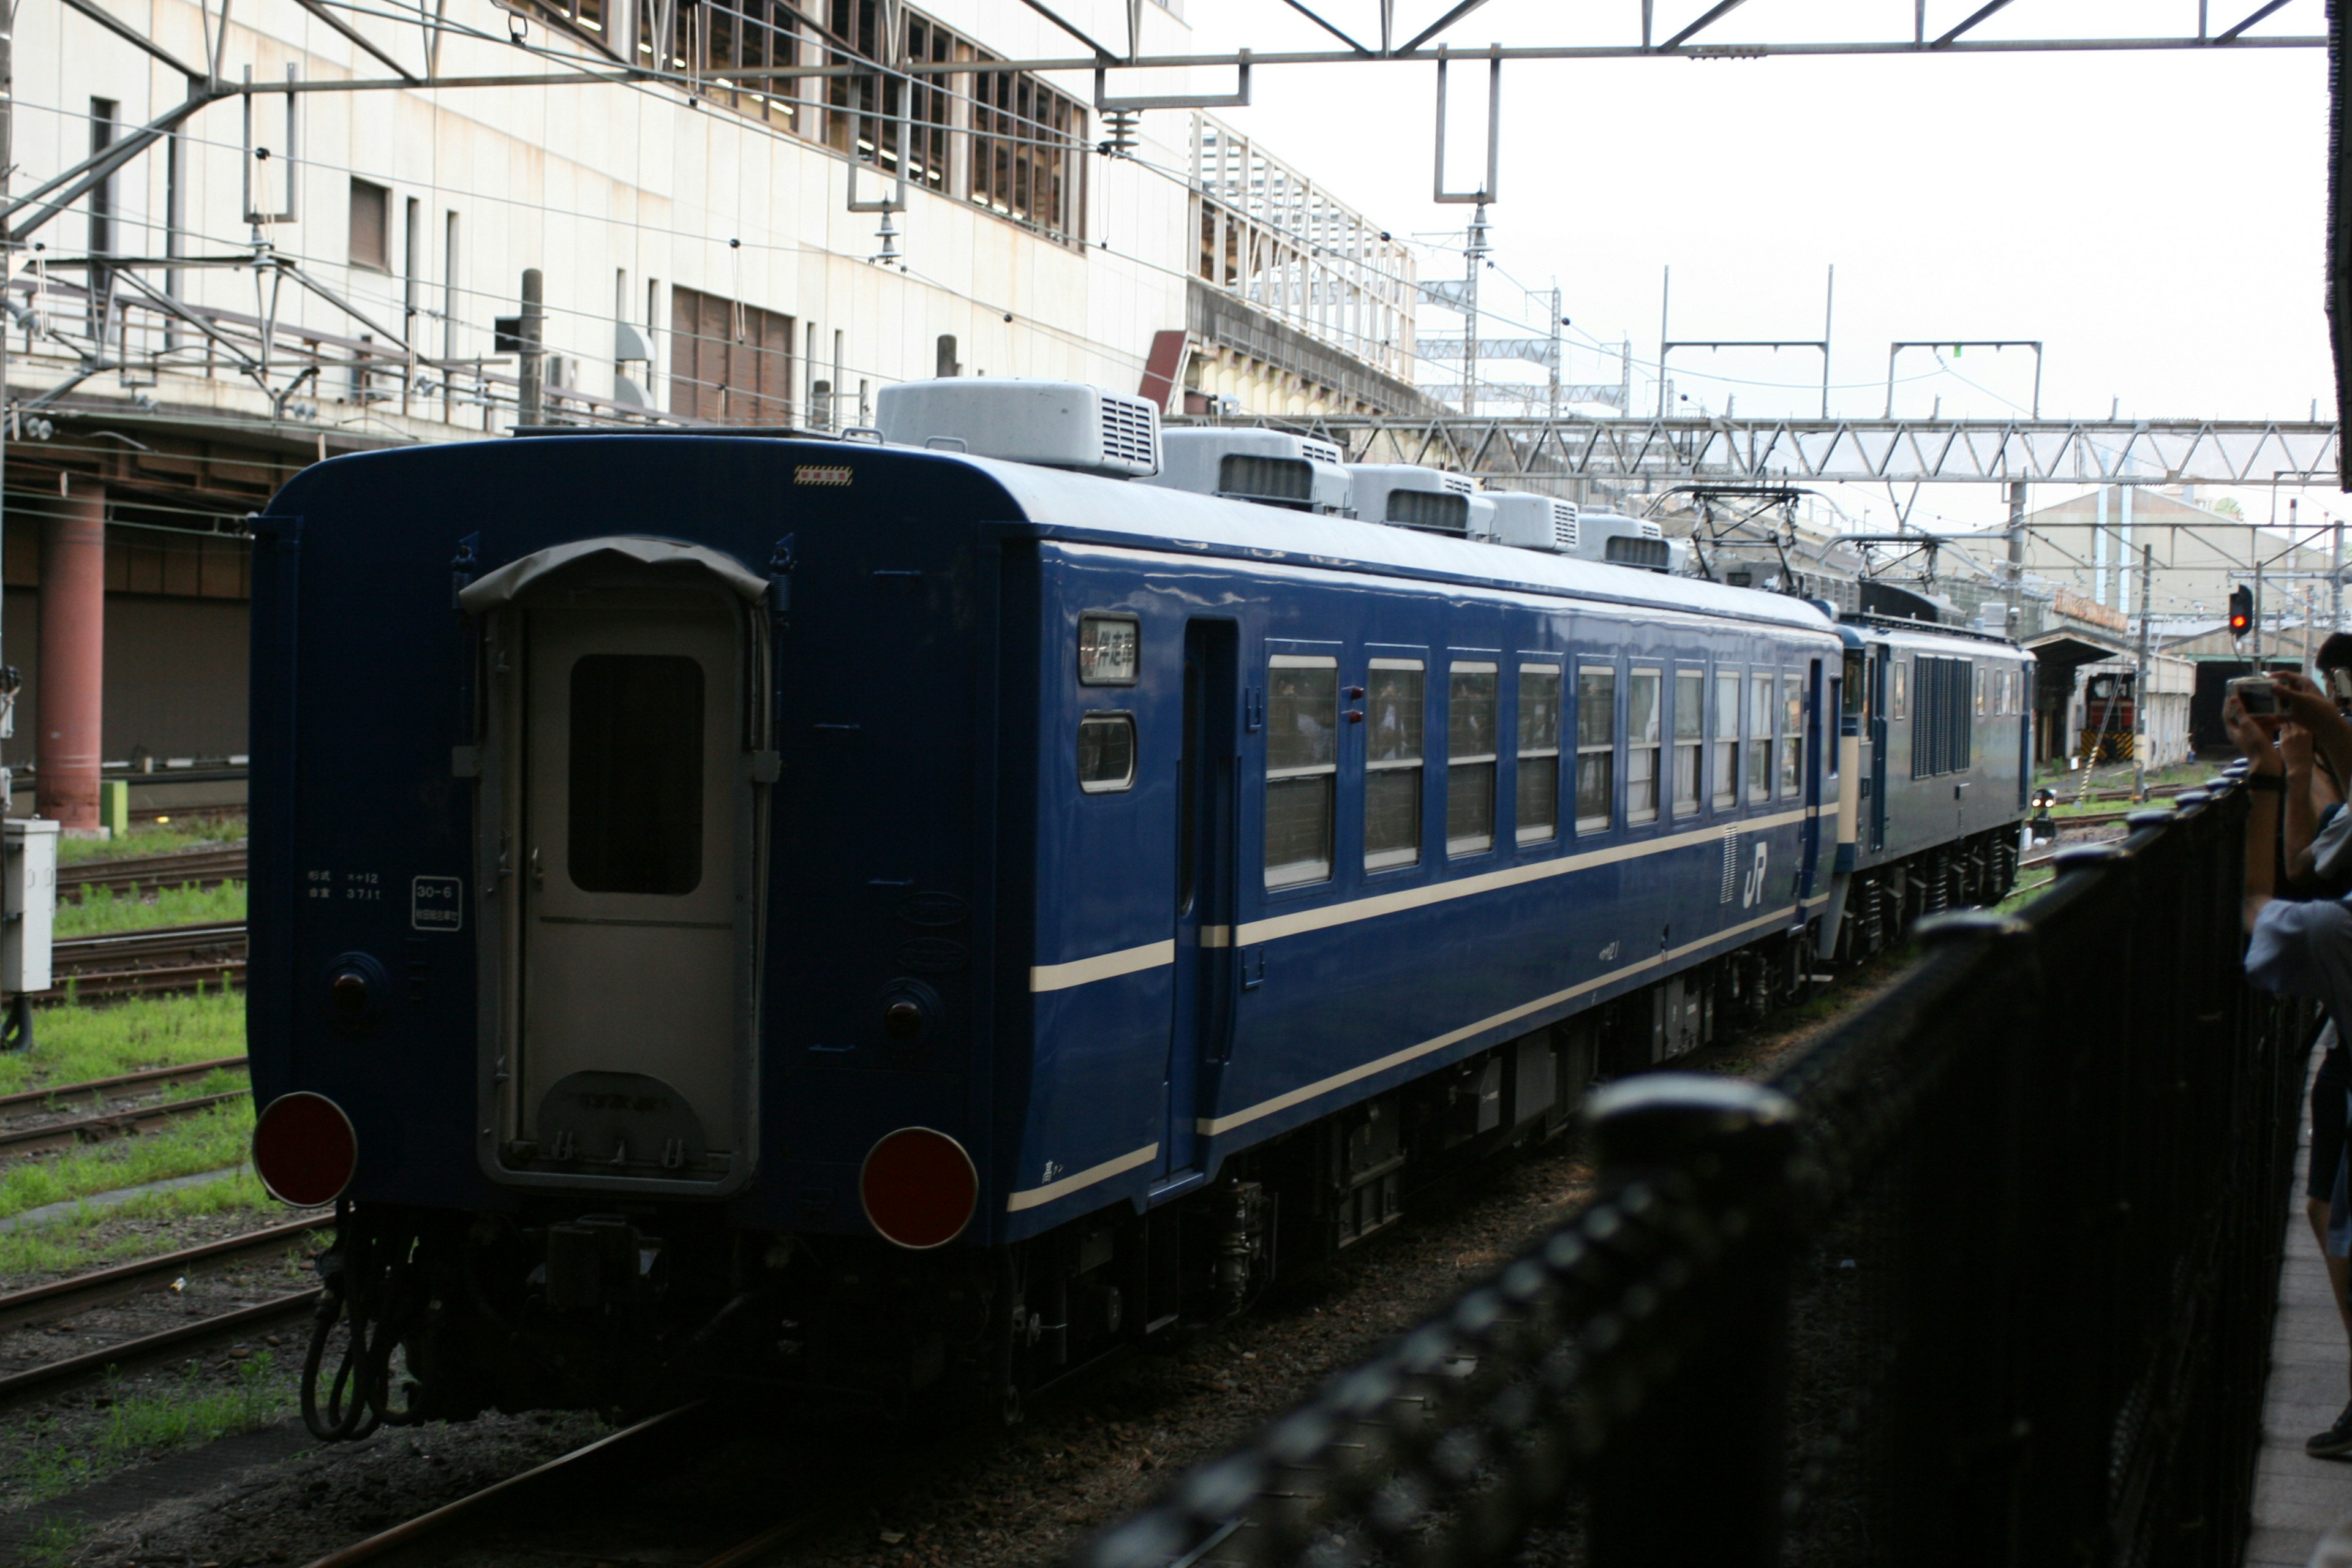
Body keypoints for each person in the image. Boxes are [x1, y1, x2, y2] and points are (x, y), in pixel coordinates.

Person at [2231, 677, 2352, 1456]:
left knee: (2337, 1222)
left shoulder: (2335, 930)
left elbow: (2261, 904)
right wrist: (2326, 726)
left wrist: (2272, 781)